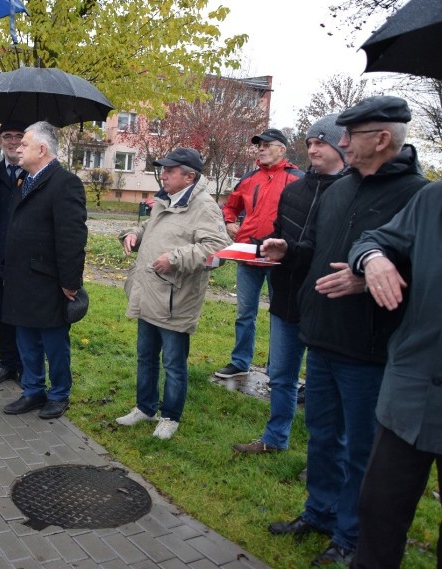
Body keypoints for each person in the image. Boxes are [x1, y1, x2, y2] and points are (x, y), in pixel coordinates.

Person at [262, 96, 429, 566]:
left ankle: (351, 536)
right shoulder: (340, 189)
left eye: (349, 135)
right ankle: (319, 512)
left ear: (381, 139)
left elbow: (426, 275)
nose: (340, 144)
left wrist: (367, 278)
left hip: (370, 349)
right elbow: (318, 249)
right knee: (321, 434)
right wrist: (288, 251)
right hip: (323, 337)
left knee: (361, 448)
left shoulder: (418, 196)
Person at [233, 115, 347, 453]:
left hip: (328, 301)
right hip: (286, 298)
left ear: (342, 145)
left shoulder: (351, 192)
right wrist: (263, 245)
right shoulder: (295, 189)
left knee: (325, 385)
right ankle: (275, 438)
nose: (312, 148)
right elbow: (282, 233)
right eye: (310, 142)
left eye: (320, 142)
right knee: (280, 376)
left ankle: (324, 454)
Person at [346, 183, 441, 568]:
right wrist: (372, 259)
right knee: (379, 510)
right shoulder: (433, 199)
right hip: (412, 391)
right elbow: (373, 239)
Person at [114, 148, 231, 439]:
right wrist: (134, 234)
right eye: (162, 170)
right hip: (149, 292)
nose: (163, 175)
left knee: (173, 364)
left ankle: (170, 416)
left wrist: (175, 259)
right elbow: (149, 227)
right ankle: (145, 408)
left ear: (190, 176)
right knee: (145, 356)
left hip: (175, 299)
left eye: (170, 171)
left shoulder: (204, 206)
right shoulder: (164, 199)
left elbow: (218, 250)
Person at [0, 121, 88, 420]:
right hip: (21, 278)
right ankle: (33, 390)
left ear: (41, 148)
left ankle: (59, 393)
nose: (18, 148)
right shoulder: (25, 180)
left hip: (50, 281)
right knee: (26, 339)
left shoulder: (65, 183)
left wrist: (70, 282)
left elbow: (72, 237)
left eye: (24, 144)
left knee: (54, 343)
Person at [215, 128, 303, 379]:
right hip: (248, 254)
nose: (261, 149)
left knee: (281, 315)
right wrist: (230, 222)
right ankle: (240, 362)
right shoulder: (249, 179)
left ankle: (277, 370)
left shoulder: (297, 178)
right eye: (259, 145)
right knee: (245, 312)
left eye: (267, 144)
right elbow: (229, 207)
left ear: (282, 149)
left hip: (280, 259)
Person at [0, 121, 28, 385]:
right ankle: (7, 363)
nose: (12, 142)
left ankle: (25, 366)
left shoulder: (35, 174)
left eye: (18, 137)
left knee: (24, 314)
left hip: (25, 259)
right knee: (3, 314)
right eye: (7, 136)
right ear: (0, 141)